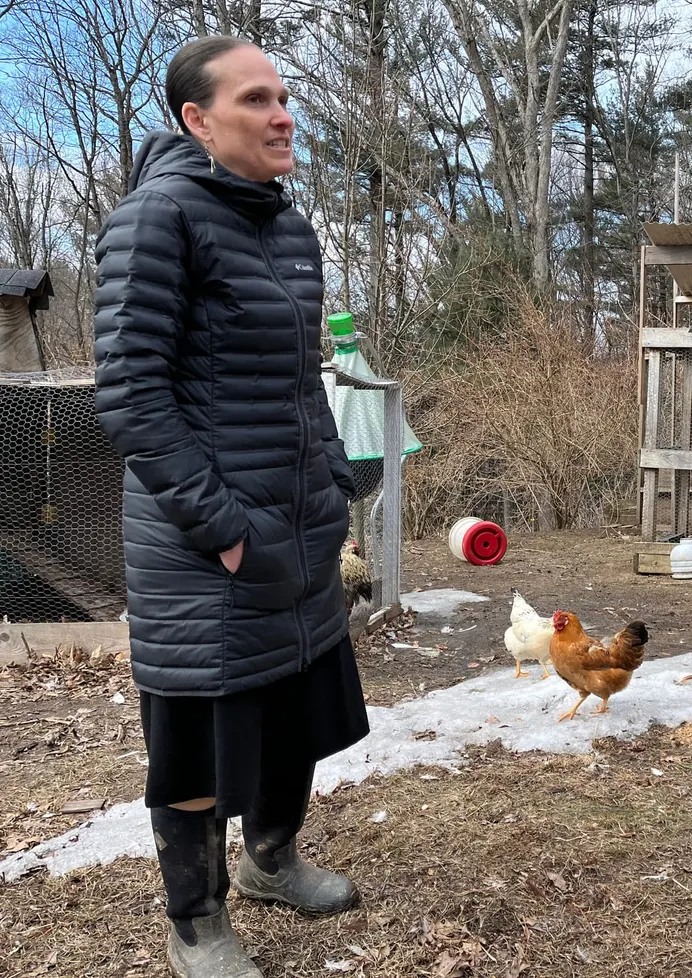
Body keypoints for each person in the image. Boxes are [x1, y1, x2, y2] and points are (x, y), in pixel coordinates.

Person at [93, 36, 369, 978]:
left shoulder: (287, 226)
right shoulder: (157, 217)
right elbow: (132, 393)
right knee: (201, 749)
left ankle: (272, 860)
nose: (283, 113)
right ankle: (197, 921)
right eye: (256, 99)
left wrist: (334, 476)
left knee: (292, 714)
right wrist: (225, 535)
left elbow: (302, 380)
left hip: (297, 529)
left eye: (284, 95)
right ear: (197, 121)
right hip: (209, 549)